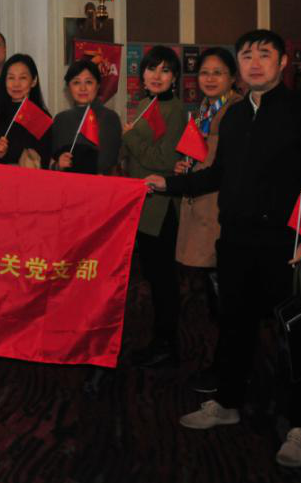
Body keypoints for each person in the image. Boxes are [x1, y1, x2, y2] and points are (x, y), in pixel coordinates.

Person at [148, 29, 301, 469]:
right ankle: (228, 402)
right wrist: (169, 184)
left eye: (264, 55)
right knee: (234, 328)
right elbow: (219, 175)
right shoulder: (233, 116)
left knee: (298, 338)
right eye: (246, 55)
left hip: (286, 244)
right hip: (234, 240)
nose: (254, 62)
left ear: (283, 62)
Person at [172, 47, 242, 393]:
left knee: (224, 291)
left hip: (220, 207)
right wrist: (184, 165)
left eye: (218, 72)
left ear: (232, 77)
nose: (210, 79)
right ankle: (218, 356)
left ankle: (228, 368)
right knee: (210, 286)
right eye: (204, 73)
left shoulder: (237, 111)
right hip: (199, 201)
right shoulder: (204, 108)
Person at [121, 45, 188, 368]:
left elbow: (164, 161)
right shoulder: (144, 104)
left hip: (160, 208)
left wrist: (130, 137)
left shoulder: (175, 109)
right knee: (151, 274)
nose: (157, 76)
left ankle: (166, 344)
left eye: (165, 70)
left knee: (163, 280)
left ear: (175, 77)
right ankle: (160, 338)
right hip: (141, 204)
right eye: (151, 69)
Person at [50, 59, 122, 175]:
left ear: (98, 85)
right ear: (68, 87)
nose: (82, 88)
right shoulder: (60, 120)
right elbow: (52, 162)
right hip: (66, 184)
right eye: (76, 82)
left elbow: (110, 162)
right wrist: (58, 166)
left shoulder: (109, 118)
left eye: (88, 82)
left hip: (99, 183)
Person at [0, 54, 53, 168]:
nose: (16, 84)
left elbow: (47, 159)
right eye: (11, 78)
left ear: (34, 81)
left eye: (23, 78)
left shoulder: (41, 117)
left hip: (29, 178)